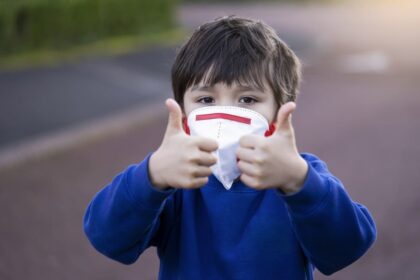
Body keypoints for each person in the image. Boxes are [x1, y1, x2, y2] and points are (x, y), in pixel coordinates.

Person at [83, 16, 376, 279]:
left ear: (279, 112)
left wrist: (299, 182)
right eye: (206, 100)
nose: (224, 114)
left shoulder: (298, 175)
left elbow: (346, 248)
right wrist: (152, 175)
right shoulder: (175, 177)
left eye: (247, 100)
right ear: (183, 112)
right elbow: (107, 237)